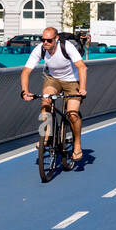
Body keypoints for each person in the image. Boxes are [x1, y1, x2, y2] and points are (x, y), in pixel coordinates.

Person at [20, 27, 88, 163]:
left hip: (72, 81)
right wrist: (24, 91)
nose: (45, 42)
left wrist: (82, 88)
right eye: (43, 39)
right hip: (53, 80)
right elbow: (26, 71)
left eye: (49, 40)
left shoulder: (67, 47)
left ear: (56, 39)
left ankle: (77, 144)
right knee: (45, 102)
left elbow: (82, 67)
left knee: (73, 113)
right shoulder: (40, 49)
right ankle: (46, 135)